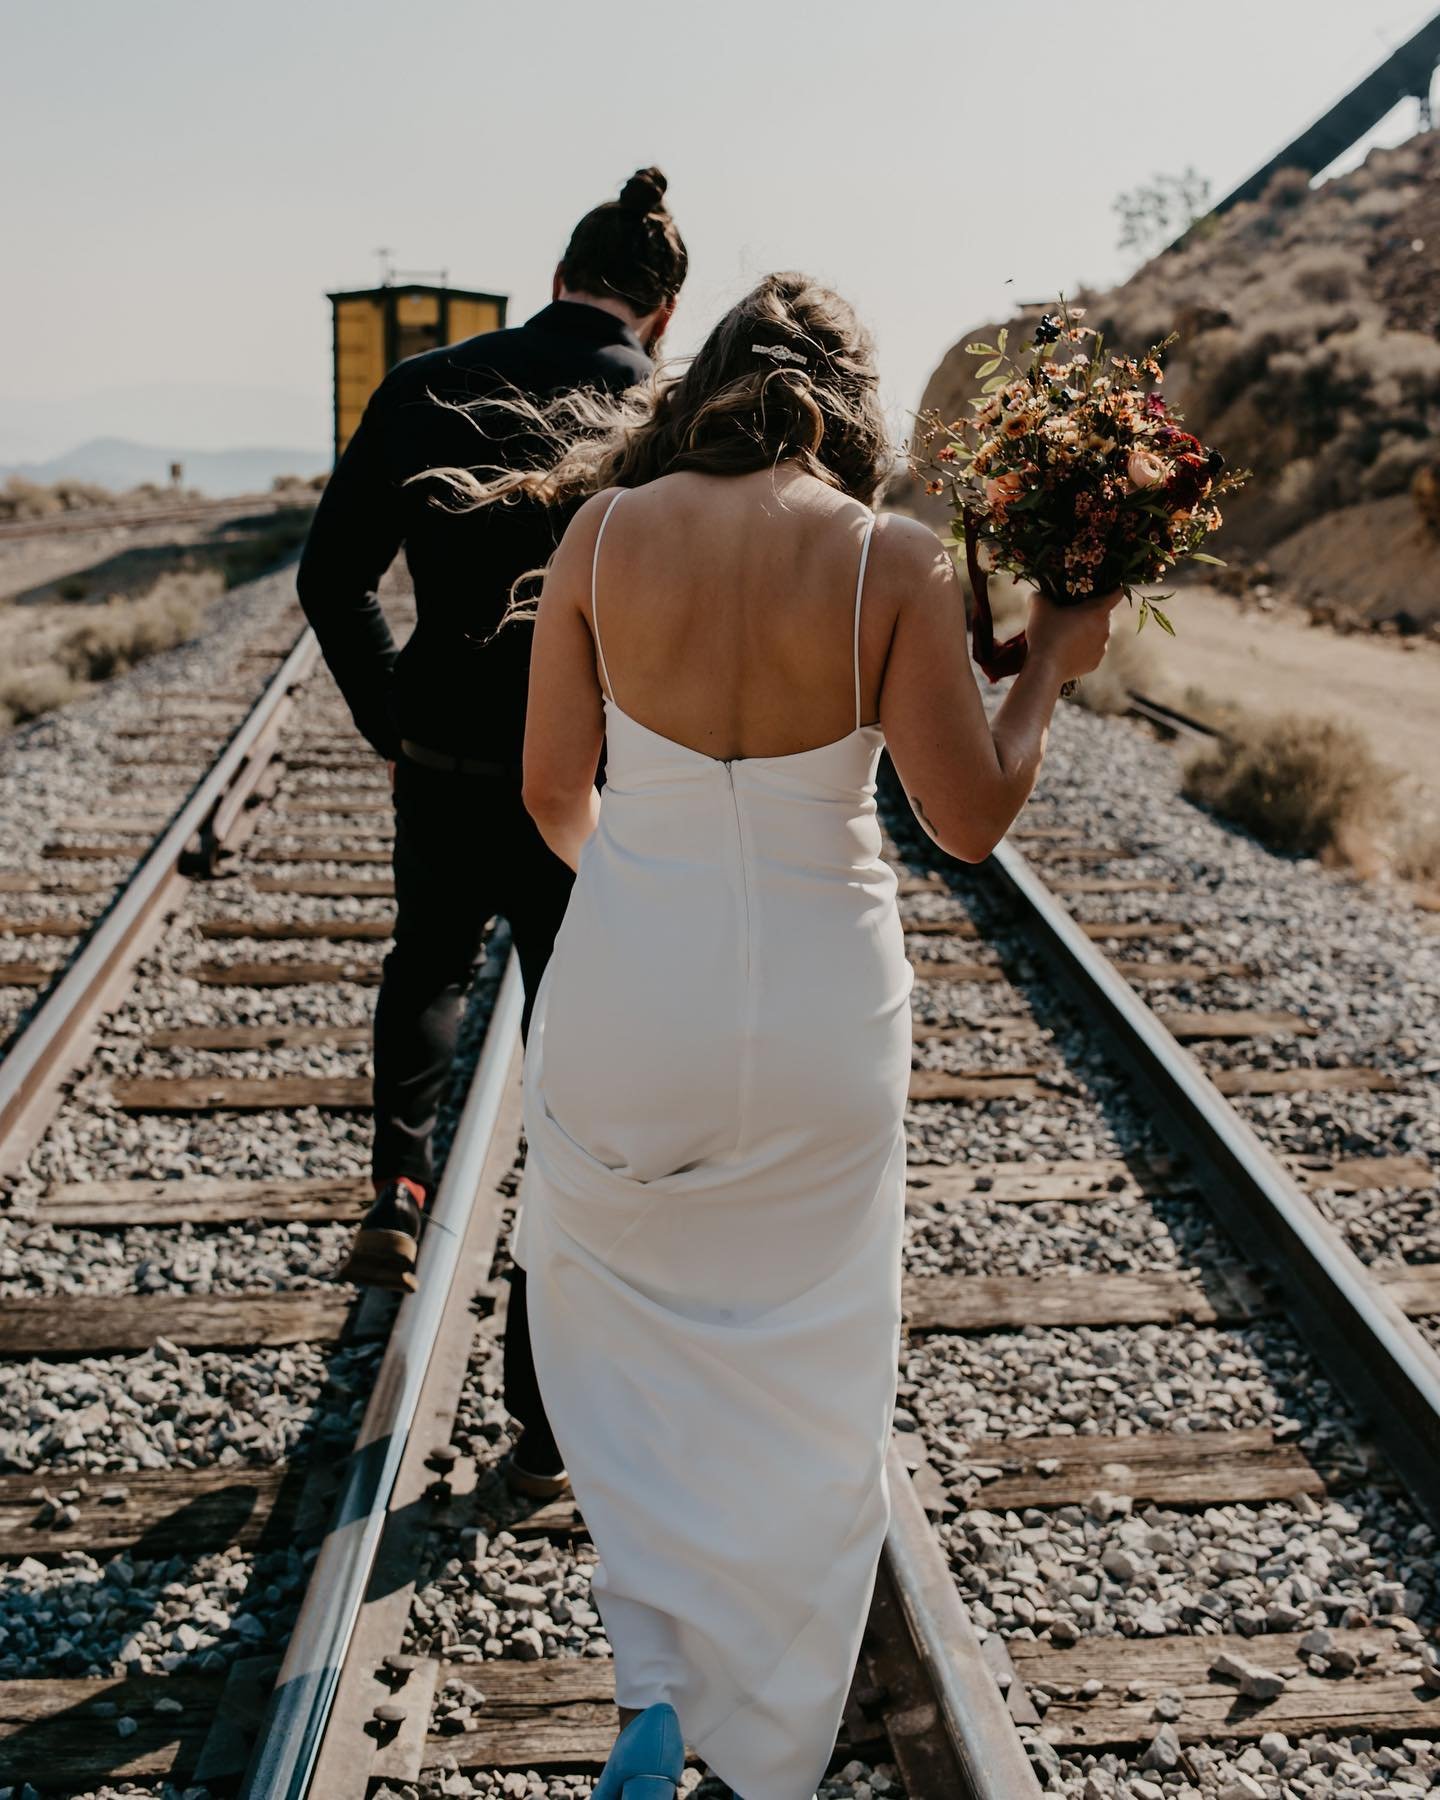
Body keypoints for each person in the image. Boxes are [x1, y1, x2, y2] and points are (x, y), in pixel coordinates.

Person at [441, 271, 1118, 1799]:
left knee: (627, 1337)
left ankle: (658, 1691)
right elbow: (968, 817)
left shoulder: (604, 535)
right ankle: (759, 1746)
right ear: (851, 404)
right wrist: (1051, 669)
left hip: (628, 990)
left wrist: (656, 898)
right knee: (806, 1368)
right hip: (826, 1012)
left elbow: (553, 794)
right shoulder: (894, 556)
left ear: (707, 389)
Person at [296, 168, 688, 1498]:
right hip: (595, 794)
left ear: (563, 271)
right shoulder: (666, 414)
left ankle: (399, 1186)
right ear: (663, 309)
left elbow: (329, 573)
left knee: (429, 960)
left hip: (448, 756)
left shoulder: (427, 386)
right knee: (576, 1098)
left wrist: (388, 710)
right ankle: (542, 1423)